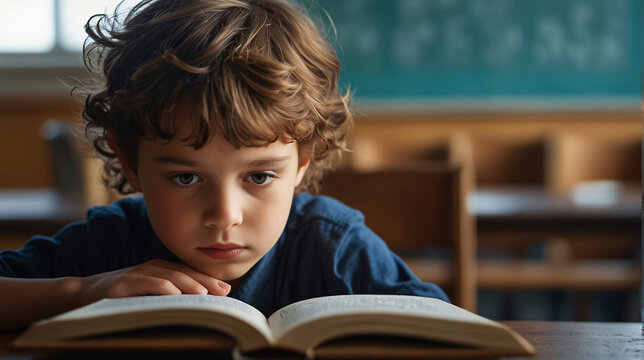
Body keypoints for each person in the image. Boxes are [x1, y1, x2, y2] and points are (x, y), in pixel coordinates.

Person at [0, 0, 447, 330]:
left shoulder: (334, 248)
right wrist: (82, 291)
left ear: (301, 164)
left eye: (259, 176)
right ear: (130, 161)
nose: (224, 215)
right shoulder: (107, 244)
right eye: (186, 177)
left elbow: (448, 329)